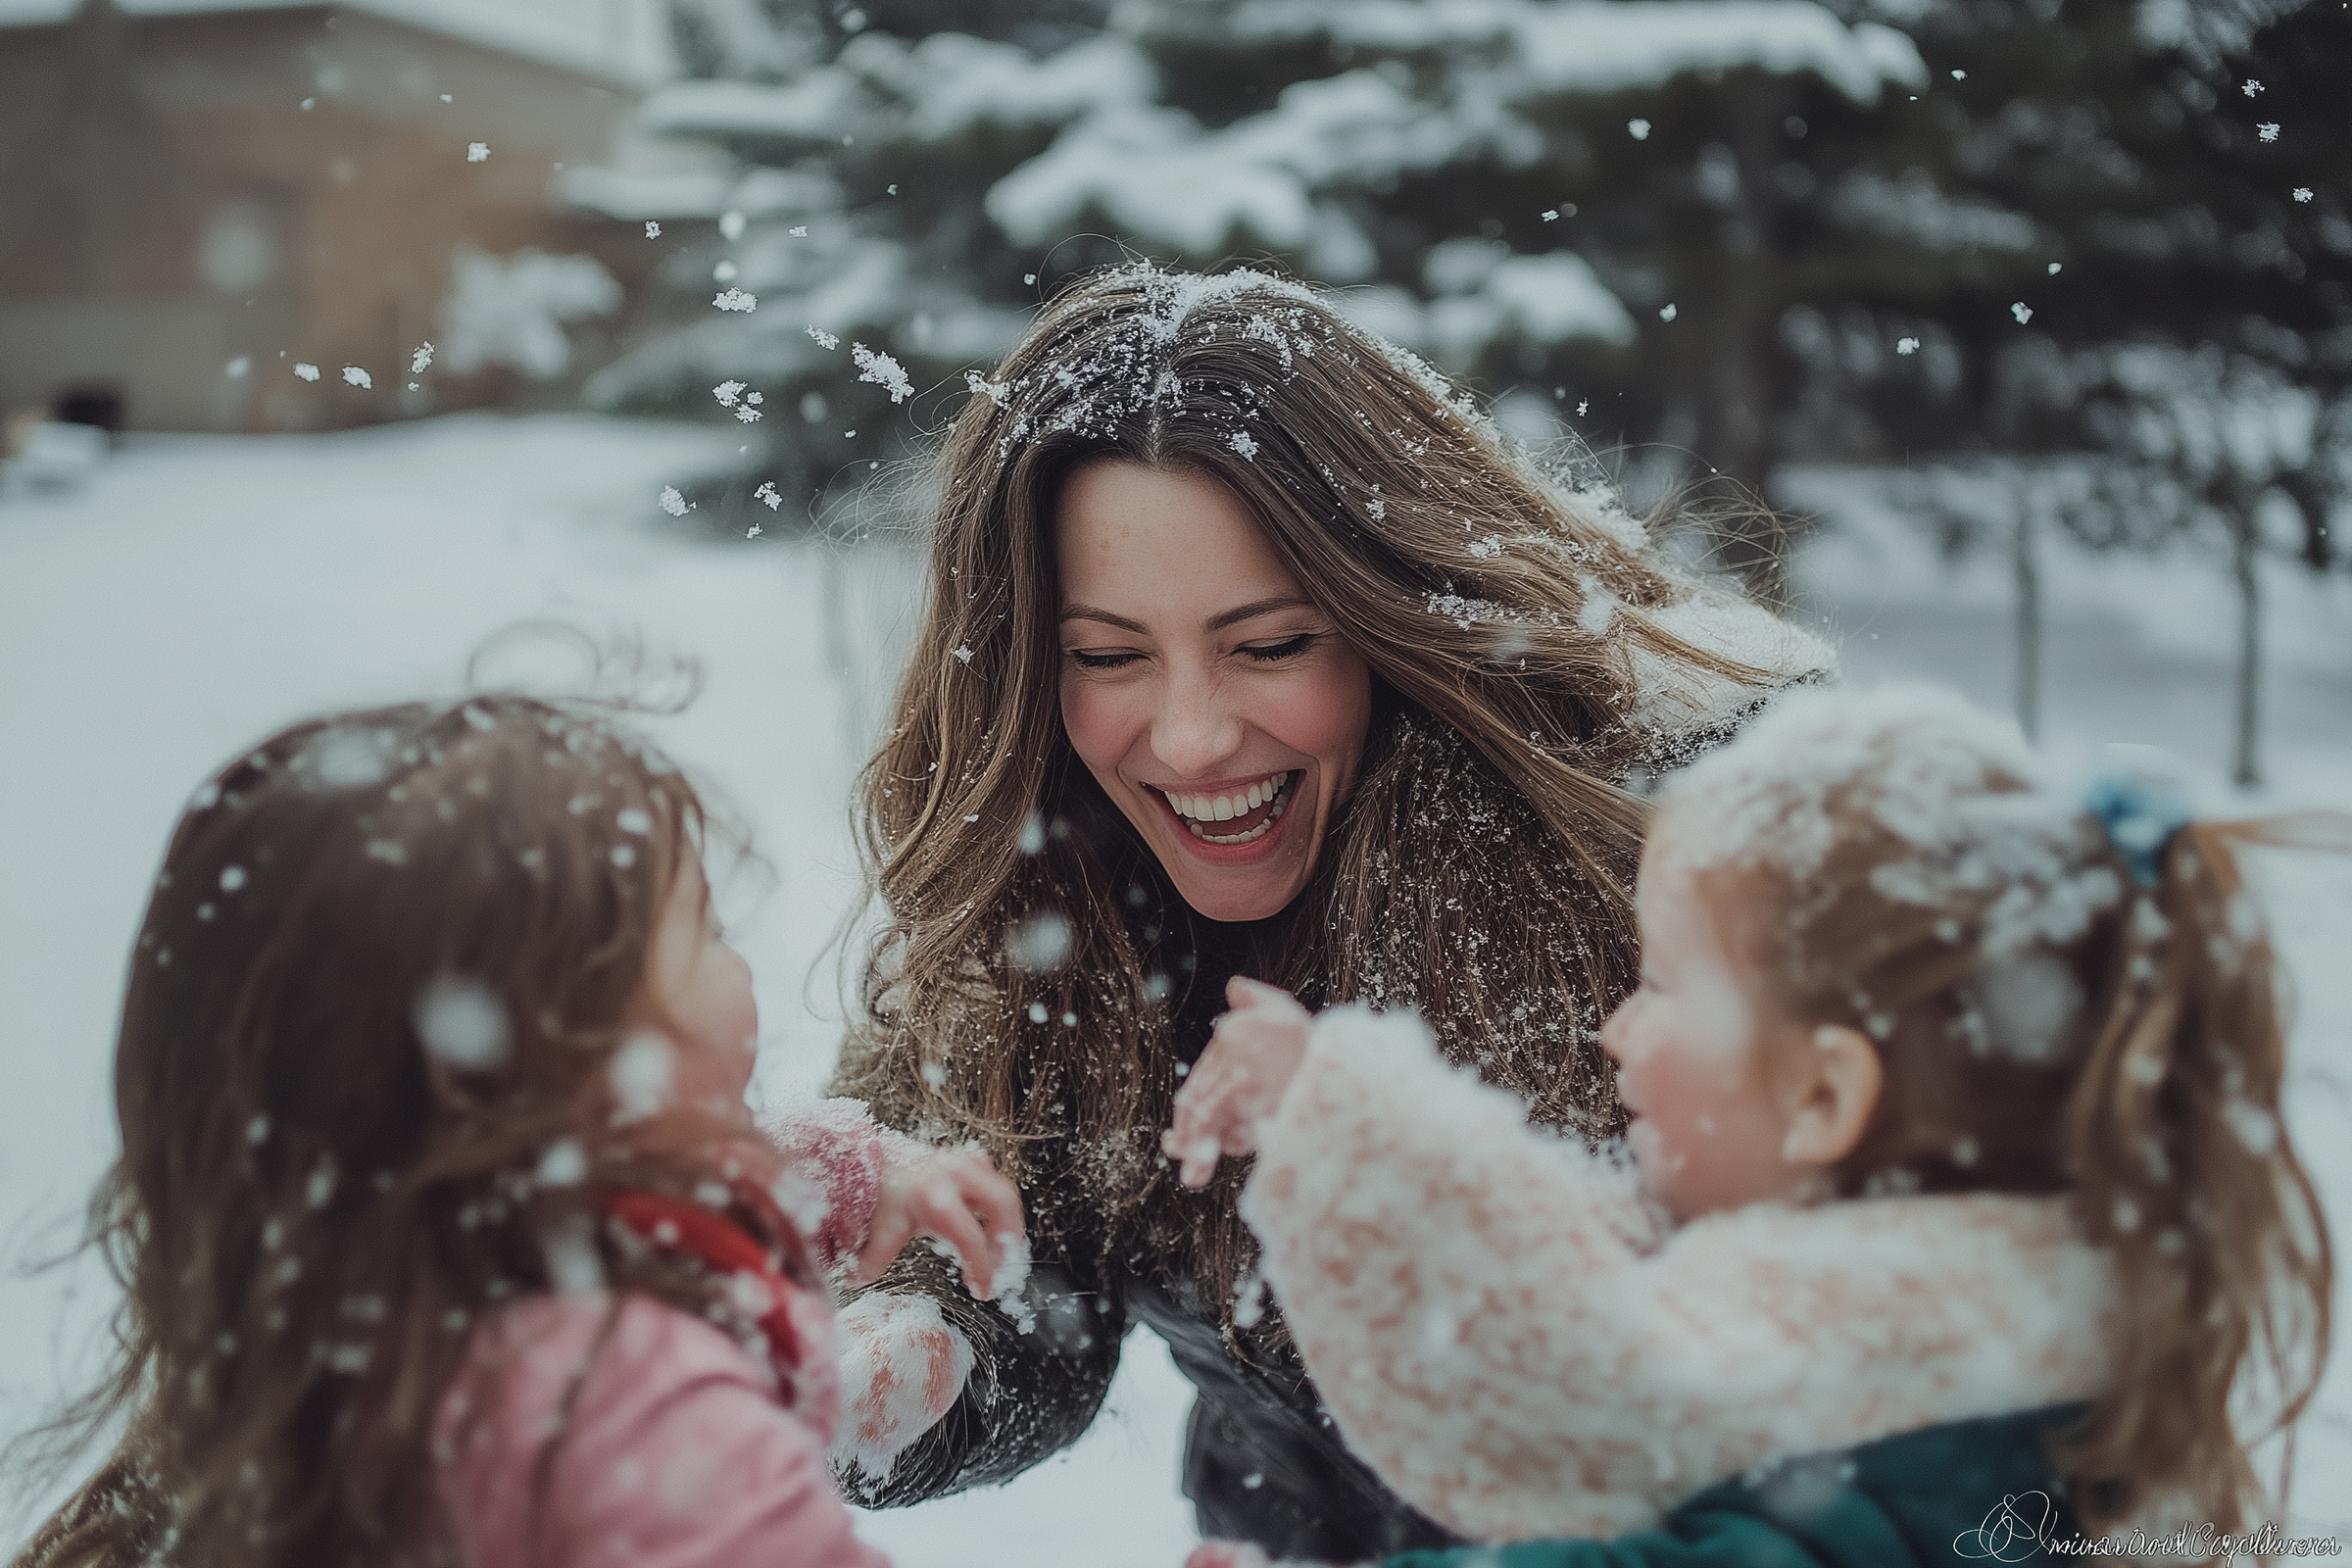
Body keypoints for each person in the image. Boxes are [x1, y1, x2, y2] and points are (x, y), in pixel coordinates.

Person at [824, 262, 1835, 1557]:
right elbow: (1025, 1246)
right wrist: (919, 1336)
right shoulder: (1056, 873)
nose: (1187, 741)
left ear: (1391, 614)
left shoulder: (1691, 858)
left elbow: (1845, 1406)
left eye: (1270, 644)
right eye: (1108, 657)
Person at [1173, 684, 2336, 1564]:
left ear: (1824, 1097)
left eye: (1667, 985)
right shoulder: (1942, 1347)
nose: (1618, 1030)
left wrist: (1344, 1113)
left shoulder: (1911, 1442)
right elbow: (1575, 1286)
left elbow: (1559, 1373)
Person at [11, 693, 1021, 1568]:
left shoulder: (379, 1284)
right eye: (704, 932)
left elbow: (614, 1201)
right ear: (572, 1056)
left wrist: (850, 1175)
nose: (742, 967)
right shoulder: (627, 1406)